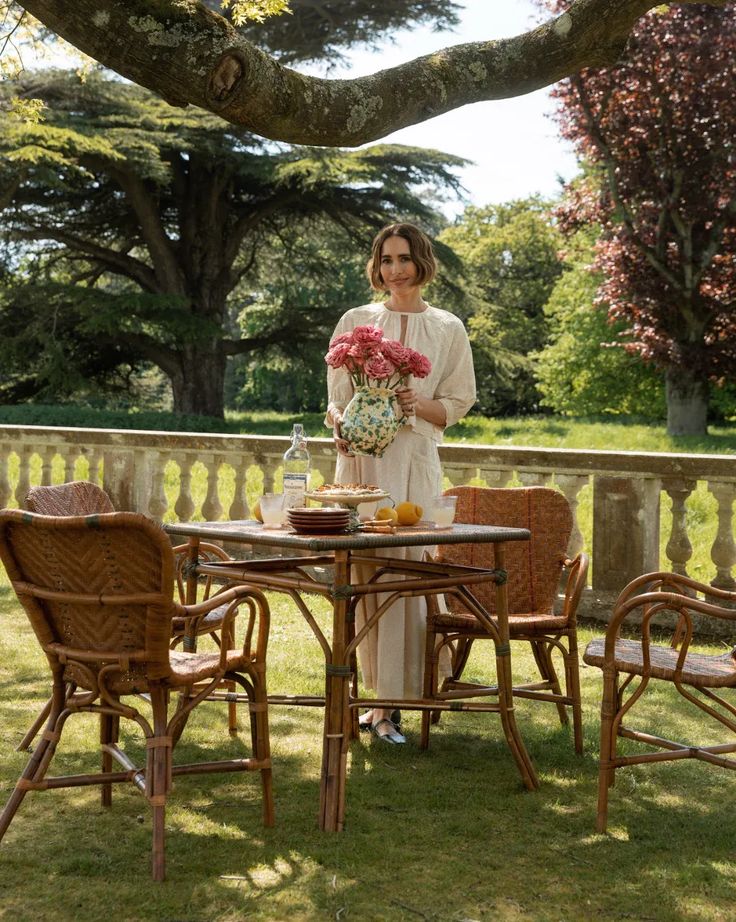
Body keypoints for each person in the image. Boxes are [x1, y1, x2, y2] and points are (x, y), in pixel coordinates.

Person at [325, 222, 476, 743]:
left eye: (405, 258)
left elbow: (455, 404)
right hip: (361, 469)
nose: (396, 270)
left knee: (405, 575)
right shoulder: (355, 320)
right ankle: (365, 697)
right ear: (377, 265)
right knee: (361, 579)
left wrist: (416, 404)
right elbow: (336, 398)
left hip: (413, 463)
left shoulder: (448, 328)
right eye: (387, 259)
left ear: (422, 262)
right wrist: (342, 427)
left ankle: (394, 701)